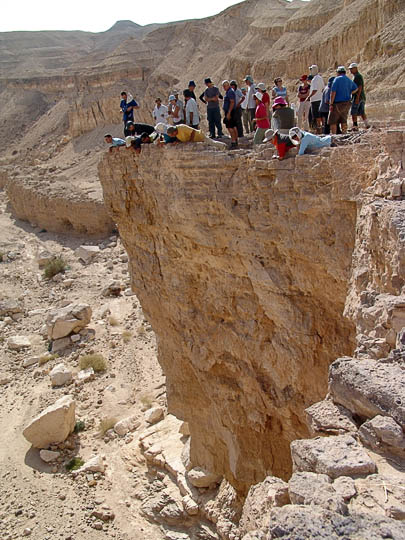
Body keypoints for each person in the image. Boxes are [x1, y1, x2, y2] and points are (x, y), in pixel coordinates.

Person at [328, 66, 357, 134]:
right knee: (343, 119)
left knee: (333, 121)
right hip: (347, 103)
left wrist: (331, 103)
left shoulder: (336, 79)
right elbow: (356, 89)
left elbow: (333, 92)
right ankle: (344, 133)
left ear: (338, 73)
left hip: (337, 103)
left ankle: (334, 136)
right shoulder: (348, 80)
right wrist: (349, 92)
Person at [349, 63, 370, 130]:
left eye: (352, 69)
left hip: (357, 97)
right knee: (362, 112)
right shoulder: (357, 76)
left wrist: (357, 97)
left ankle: (355, 126)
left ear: (356, 68)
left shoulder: (357, 76)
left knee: (353, 112)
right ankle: (367, 125)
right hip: (362, 97)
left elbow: (360, 87)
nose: (350, 70)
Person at [307, 65, 325, 133]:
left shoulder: (314, 79)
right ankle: (324, 128)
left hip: (315, 100)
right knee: (322, 115)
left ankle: (319, 130)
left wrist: (309, 97)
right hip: (320, 99)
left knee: (317, 116)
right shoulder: (320, 78)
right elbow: (323, 88)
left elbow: (314, 90)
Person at [222, 80, 238, 149]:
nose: (224, 88)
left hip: (230, 111)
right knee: (233, 126)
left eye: (224, 86)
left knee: (230, 127)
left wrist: (229, 113)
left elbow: (232, 102)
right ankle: (235, 140)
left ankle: (233, 141)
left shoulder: (230, 92)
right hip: (231, 111)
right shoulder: (230, 91)